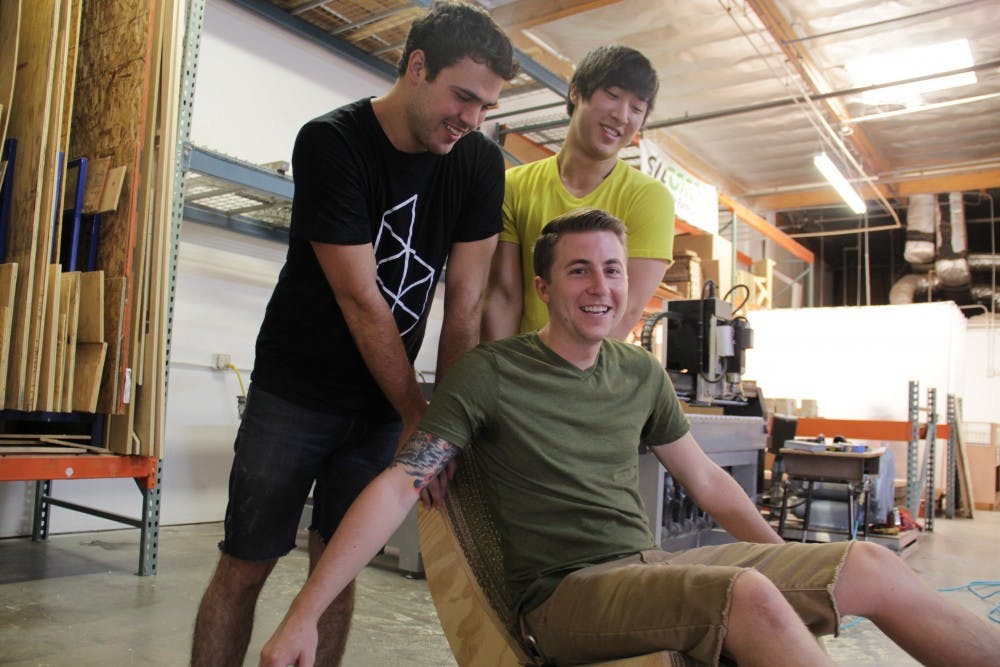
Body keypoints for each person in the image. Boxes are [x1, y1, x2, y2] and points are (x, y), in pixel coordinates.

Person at [258, 208, 1000, 666]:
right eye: (578, 270)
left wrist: (784, 560)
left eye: (611, 269)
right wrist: (303, 613)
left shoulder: (638, 373)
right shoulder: (490, 373)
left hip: (643, 567)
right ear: (545, 287)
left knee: (867, 561)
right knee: (743, 595)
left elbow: (708, 483)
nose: (600, 286)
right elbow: (399, 485)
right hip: (561, 598)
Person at [190, 3, 517, 665]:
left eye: (485, 105)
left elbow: (466, 306)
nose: (471, 119)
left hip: (377, 409)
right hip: (295, 392)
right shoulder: (331, 142)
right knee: (246, 564)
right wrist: (417, 414)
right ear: (417, 66)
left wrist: (442, 426)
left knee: (334, 575)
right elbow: (361, 300)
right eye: (462, 96)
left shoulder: (478, 163)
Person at [482, 45, 675, 342]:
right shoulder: (513, 186)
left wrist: (575, 379)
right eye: (612, 95)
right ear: (576, 92)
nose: (622, 115)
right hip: (522, 368)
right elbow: (504, 296)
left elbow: (626, 310)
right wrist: (504, 374)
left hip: (591, 377)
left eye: (636, 108)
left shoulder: (650, 198)